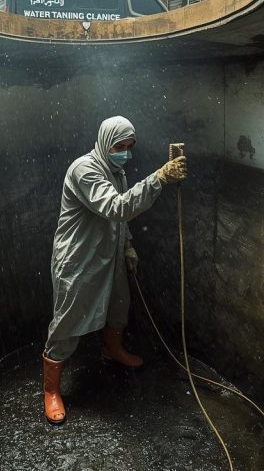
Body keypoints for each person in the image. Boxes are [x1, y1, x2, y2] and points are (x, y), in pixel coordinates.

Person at [42, 116, 187, 424]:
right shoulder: (84, 170)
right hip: (79, 258)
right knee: (67, 320)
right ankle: (51, 389)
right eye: (119, 146)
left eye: (129, 146)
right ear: (105, 142)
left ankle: (113, 349)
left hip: (108, 252)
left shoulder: (116, 170)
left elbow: (119, 220)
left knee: (119, 303)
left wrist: (127, 245)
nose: (125, 152)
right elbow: (117, 207)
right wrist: (159, 178)